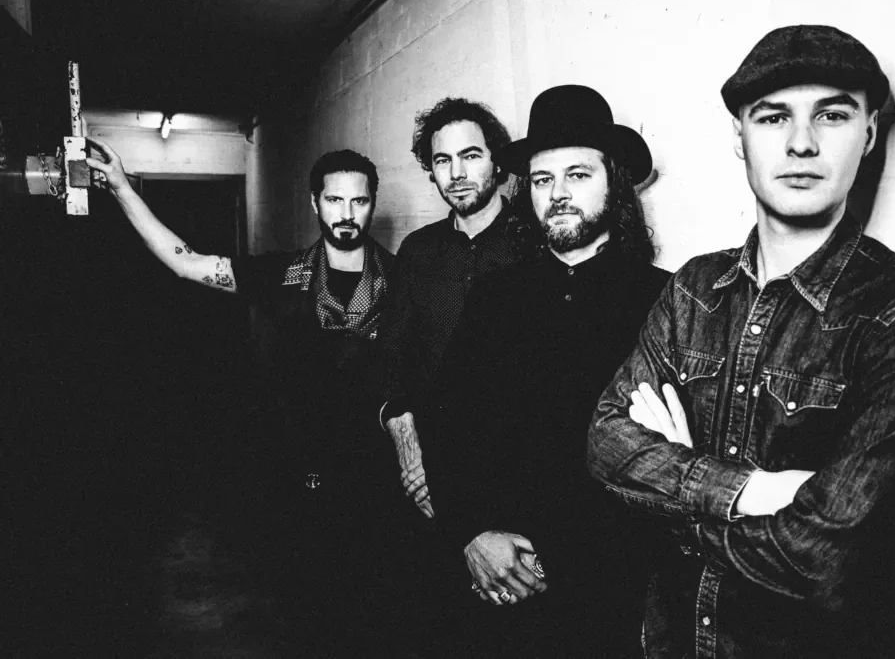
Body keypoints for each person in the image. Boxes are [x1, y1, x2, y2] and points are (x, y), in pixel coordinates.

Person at [588, 25, 895, 658]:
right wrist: (757, 492)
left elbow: (825, 564)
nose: (801, 142)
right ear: (740, 137)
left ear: (870, 132)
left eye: (832, 115)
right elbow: (605, 441)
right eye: (772, 117)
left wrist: (677, 493)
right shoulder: (694, 289)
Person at [86, 142, 402, 654]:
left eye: (358, 201)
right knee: (304, 614)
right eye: (334, 199)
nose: (346, 213)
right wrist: (123, 188)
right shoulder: (284, 275)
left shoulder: (402, 282)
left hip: (375, 484)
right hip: (296, 482)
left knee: (371, 614)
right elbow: (187, 264)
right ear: (314, 204)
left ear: (373, 204)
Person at [422, 85, 670, 657]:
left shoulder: (664, 301)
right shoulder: (495, 297)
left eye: (577, 175)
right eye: (541, 180)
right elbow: (446, 423)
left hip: (612, 592)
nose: (557, 194)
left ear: (615, 183)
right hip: (497, 582)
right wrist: (472, 534)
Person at [377, 97, 534, 518]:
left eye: (471, 155)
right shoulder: (417, 251)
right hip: (426, 474)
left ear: (497, 163)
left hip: (514, 479)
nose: (457, 173)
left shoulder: (534, 245)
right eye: (443, 160)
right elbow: (391, 364)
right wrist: (411, 456)